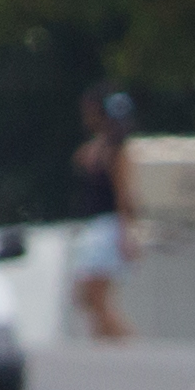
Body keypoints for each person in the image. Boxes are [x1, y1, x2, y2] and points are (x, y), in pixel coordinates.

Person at [67, 90, 138, 342]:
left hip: (108, 228)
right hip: (94, 227)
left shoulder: (118, 151)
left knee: (94, 297)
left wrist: (127, 234)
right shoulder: (96, 148)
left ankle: (129, 344)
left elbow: (123, 195)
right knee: (86, 299)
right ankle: (107, 345)